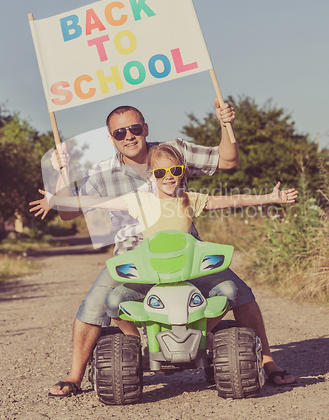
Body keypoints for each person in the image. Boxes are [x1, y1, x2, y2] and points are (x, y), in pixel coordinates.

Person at [30, 101, 296, 396]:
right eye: (120, 133)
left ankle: (265, 362)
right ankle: (76, 375)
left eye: (134, 128)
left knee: (240, 294)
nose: (128, 136)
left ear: (145, 129)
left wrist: (225, 124)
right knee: (97, 303)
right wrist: (61, 173)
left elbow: (228, 161)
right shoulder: (106, 174)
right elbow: (70, 210)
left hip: (188, 257)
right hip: (133, 258)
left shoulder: (173, 154)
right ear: (111, 138)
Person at [32, 143, 298, 341]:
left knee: (229, 292)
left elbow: (233, 200)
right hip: (153, 275)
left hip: (190, 274)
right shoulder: (140, 201)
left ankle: (201, 334)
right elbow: (91, 201)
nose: (169, 176)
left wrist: (270, 197)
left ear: (182, 172)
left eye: (175, 170)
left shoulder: (190, 200)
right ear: (151, 175)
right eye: (161, 173)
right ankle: (135, 341)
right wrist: (57, 198)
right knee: (113, 302)